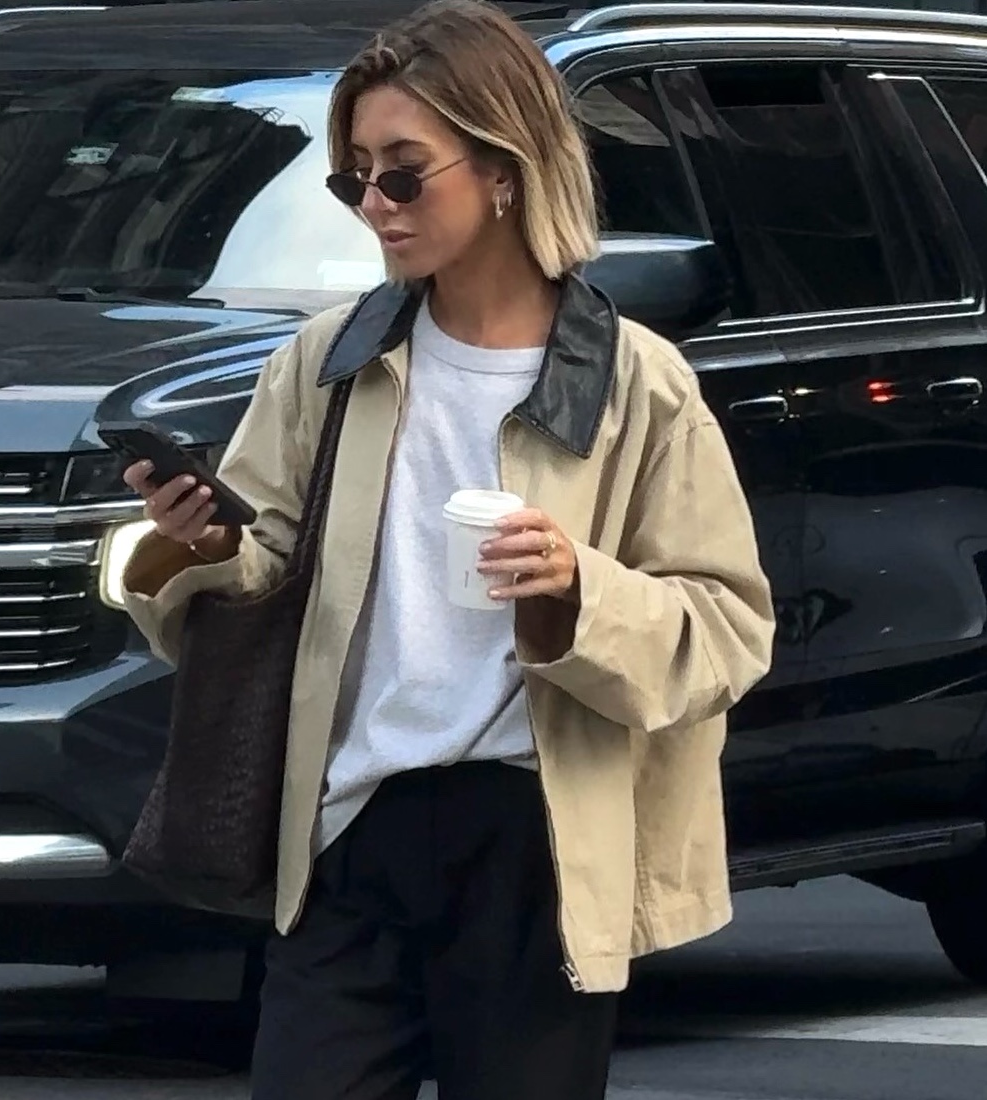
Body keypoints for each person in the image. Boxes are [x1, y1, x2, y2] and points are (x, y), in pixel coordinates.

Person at [120, 1, 776, 1097]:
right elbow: (265, 565)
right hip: (349, 820)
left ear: (505, 167)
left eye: (404, 173)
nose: (375, 204)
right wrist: (204, 544)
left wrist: (577, 587)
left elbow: (725, 629)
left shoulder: (635, 381)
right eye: (354, 179)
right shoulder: (328, 362)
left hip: (537, 837)